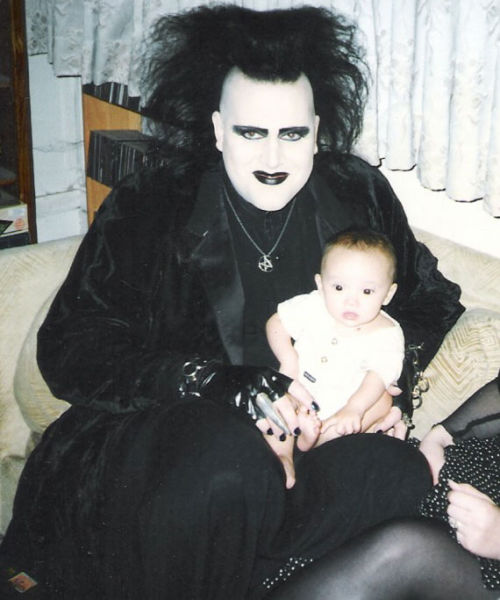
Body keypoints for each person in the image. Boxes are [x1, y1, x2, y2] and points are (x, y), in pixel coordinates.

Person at [0, 5, 464, 599]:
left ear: (316, 130)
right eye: (251, 133)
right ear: (218, 130)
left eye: (292, 134)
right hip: (166, 440)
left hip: (307, 443)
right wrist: (212, 382)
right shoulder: (153, 201)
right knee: (228, 457)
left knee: (397, 470)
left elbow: (431, 300)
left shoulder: (357, 192)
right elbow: (72, 346)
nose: (273, 159)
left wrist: (382, 387)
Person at [268, 373, 500, 599]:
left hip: (485, 555)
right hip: (466, 479)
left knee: (409, 550)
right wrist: (435, 440)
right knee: (383, 463)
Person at [266, 228, 403, 441]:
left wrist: (354, 408)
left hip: (341, 407)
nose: (351, 301)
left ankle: (319, 442)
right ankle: (284, 454)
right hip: (297, 390)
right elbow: (277, 322)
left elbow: (379, 376)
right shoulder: (314, 304)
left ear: (388, 294)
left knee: (382, 401)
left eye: (367, 291)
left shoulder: (387, 333)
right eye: (339, 287)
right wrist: (288, 360)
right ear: (321, 285)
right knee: (275, 406)